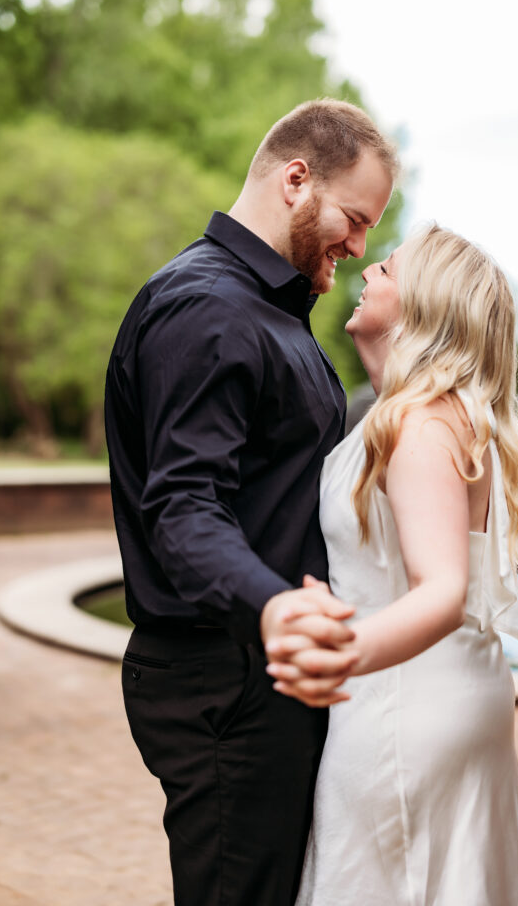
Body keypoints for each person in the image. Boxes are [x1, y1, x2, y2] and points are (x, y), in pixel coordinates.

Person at [104, 98, 398, 906]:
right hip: (225, 679)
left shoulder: (274, 312)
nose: (359, 244)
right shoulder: (208, 308)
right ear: (296, 180)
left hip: (263, 673)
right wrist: (272, 609)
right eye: (354, 217)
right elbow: (183, 509)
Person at [266, 224, 518, 905]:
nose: (366, 273)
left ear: (424, 304)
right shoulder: (428, 413)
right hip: (440, 693)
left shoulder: (420, 421)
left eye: (387, 269)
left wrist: (337, 656)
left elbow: (444, 587)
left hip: (401, 705)